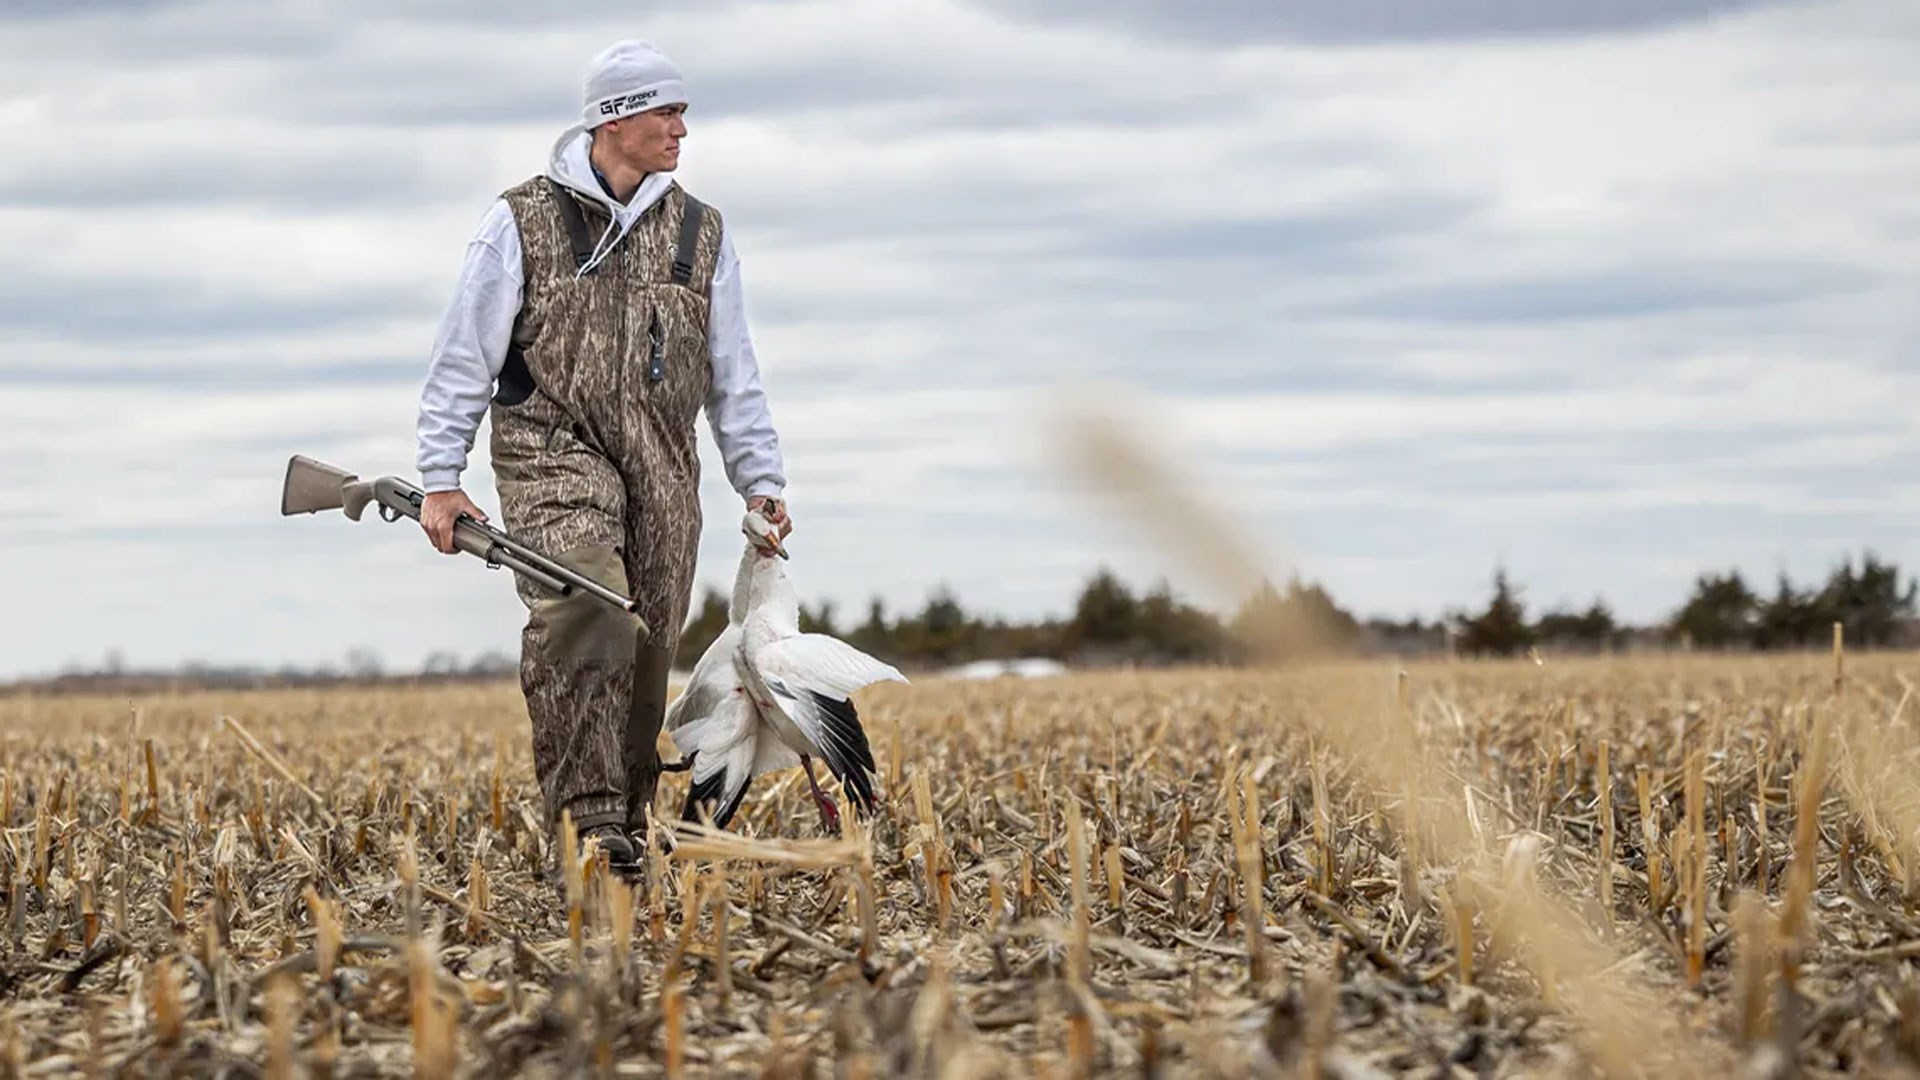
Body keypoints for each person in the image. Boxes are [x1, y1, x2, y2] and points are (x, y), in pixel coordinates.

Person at [413, 39, 791, 880]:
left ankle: (622, 820)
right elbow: (461, 358)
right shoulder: (519, 222)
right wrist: (442, 478)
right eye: (667, 110)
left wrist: (761, 482)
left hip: (663, 461)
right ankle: (584, 819)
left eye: (684, 111)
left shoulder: (701, 231)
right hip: (550, 448)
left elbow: (736, 372)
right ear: (615, 118)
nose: (682, 129)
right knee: (588, 608)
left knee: (649, 644)